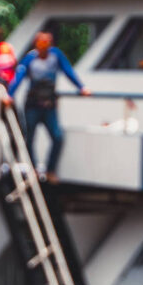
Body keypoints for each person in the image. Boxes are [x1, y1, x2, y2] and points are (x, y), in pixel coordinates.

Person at [8, 30, 91, 182]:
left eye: (47, 42)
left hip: (49, 105)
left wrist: (81, 87)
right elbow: (18, 77)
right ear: (36, 44)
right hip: (32, 105)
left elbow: (68, 71)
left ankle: (50, 169)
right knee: (29, 138)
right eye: (41, 42)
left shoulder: (56, 55)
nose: (44, 46)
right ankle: (33, 169)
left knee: (57, 137)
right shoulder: (30, 58)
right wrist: (10, 95)